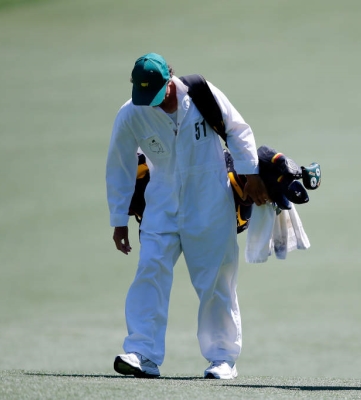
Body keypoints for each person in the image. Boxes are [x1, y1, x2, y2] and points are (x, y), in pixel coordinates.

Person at [106, 53, 270, 379]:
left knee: (216, 284)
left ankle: (223, 359)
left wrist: (251, 174)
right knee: (149, 272)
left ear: (170, 81)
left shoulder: (201, 95)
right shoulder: (131, 114)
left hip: (211, 203)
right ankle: (142, 354)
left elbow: (238, 131)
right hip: (161, 206)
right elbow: (120, 165)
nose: (150, 104)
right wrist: (118, 220)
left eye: (156, 94)